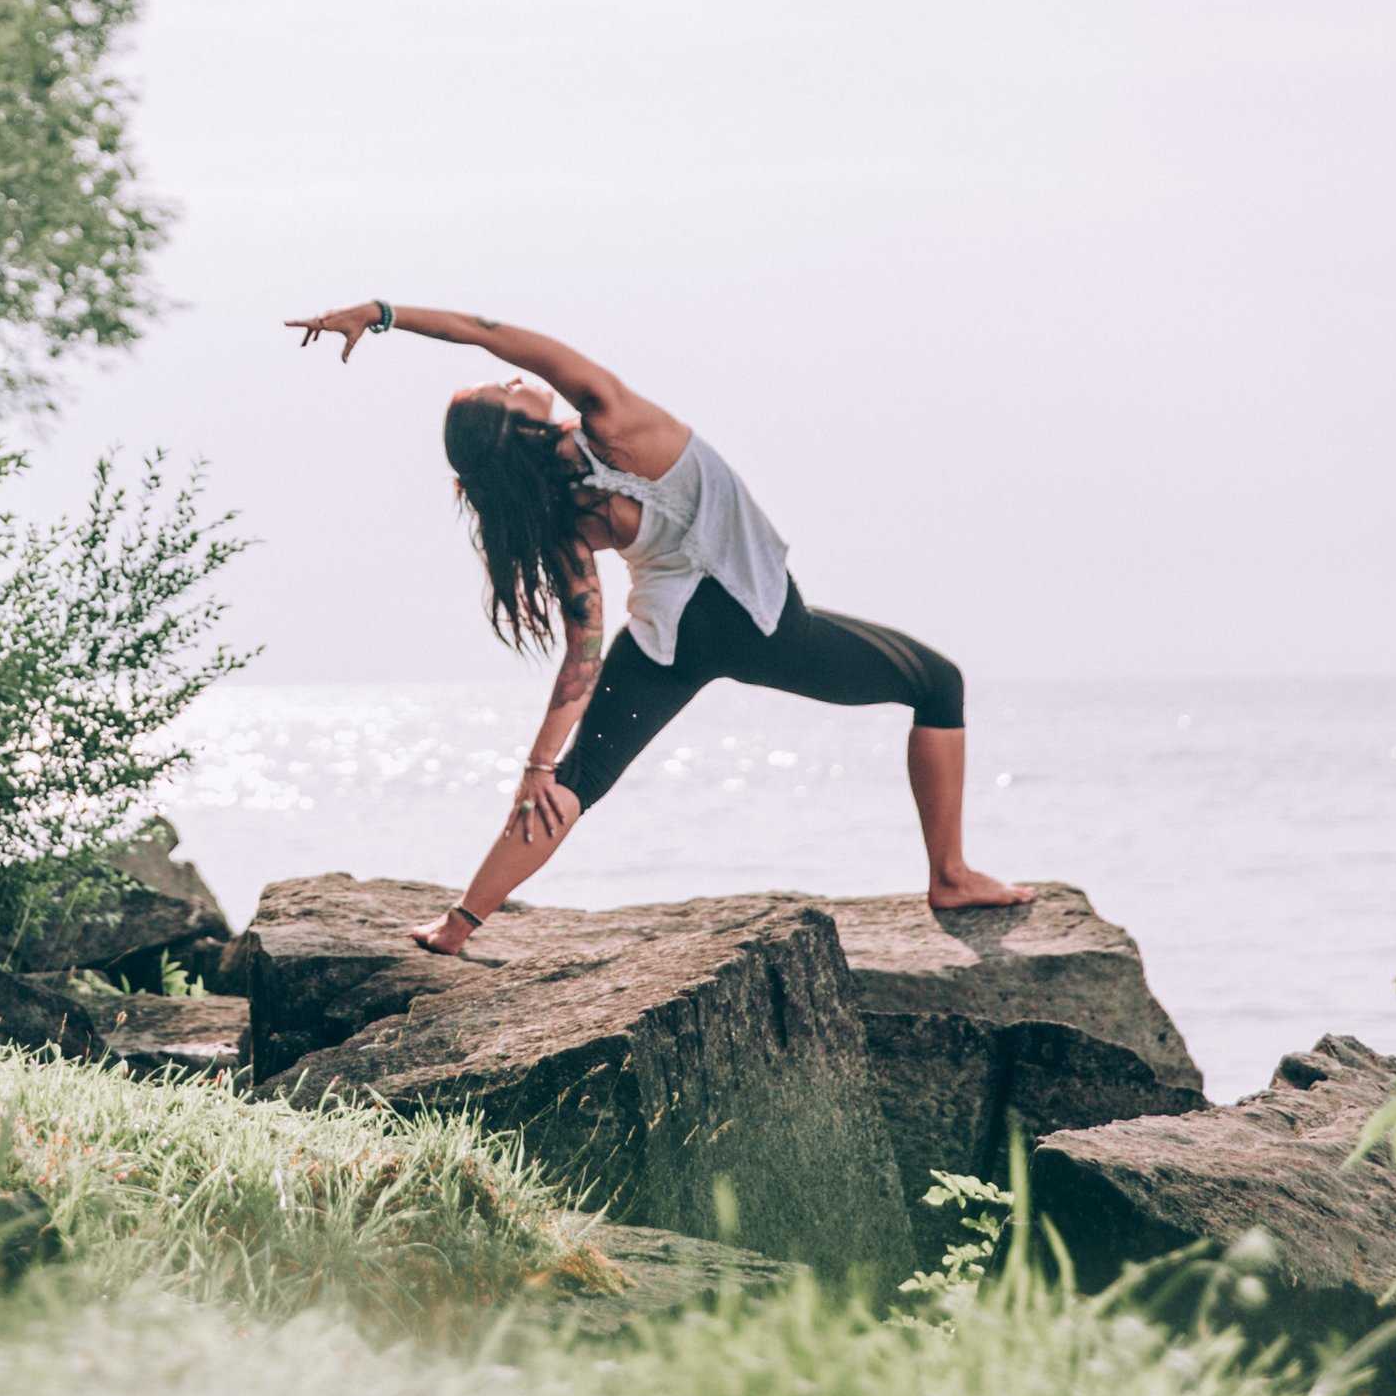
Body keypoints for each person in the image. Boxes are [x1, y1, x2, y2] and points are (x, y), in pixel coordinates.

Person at [285, 297, 1029, 957]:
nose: (513, 378)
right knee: (939, 683)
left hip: (669, 635)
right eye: (503, 390)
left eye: (504, 379)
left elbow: (582, 653)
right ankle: (950, 876)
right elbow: (491, 333)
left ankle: (457, 925)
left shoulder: (561, 511)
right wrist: (381, 313)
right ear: (517, 427)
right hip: (758, 621)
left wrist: (538, 763)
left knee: (575, 781)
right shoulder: (612, 415)